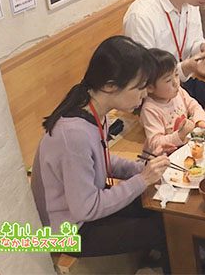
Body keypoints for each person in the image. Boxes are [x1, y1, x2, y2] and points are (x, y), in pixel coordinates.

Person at [31, 36, 172, 270]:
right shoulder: (73, 134)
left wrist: (141, 170)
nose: (144, 94)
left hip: (83, 209)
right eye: (138, 87)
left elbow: (101, 160)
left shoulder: (92, 106)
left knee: (161, 207)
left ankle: (162, 259)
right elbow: (86, 208)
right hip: (67, 229)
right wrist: (142, 179)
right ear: (109, 85)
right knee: (163, 227)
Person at [140, 48, 205, 153]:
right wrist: (180, 134)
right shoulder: (150, 109)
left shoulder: (178, 91)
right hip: (167, 156)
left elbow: (194, 106)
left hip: (186, 146)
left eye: (176, 75)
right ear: (150, 87)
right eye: (168, 80)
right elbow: (155, 143)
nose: (176, 82)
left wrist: (200, 122)